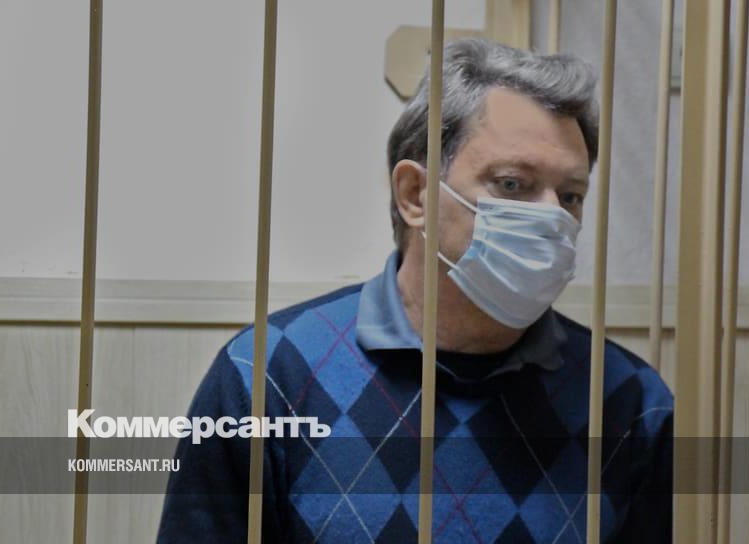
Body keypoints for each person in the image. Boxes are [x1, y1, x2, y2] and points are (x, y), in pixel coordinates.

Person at [157, 38, 672, 543]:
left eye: (571, 196)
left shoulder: (630, 402)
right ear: (415, 194)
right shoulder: (268, 377)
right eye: (512, 184)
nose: (551, 218)